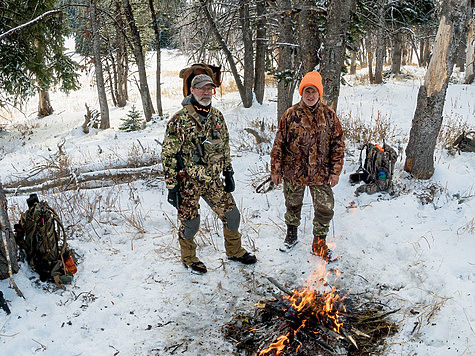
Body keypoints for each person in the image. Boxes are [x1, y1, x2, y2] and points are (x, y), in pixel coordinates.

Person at [161, 74, 257, 274]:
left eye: (209, 89)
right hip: (188, 182)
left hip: (212, 179)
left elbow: (224, 146)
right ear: (192, 91)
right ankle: (189, 258)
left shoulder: (217, 116)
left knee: (232, 215)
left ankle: (235, 251)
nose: (206, 93)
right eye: (202, 89)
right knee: (191, 223)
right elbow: (168, 155)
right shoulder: (179, 120)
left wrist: (228, 171)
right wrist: (172, 187)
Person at [270, 71, 345, 261]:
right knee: (292, 204)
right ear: (301, 93)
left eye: (313, 91)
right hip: (294, 171)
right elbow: (279, 143)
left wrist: (335, 172)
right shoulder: (290, 114)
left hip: (321, 173)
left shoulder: (329, 115)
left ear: (319, 93)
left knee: (325, 207)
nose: (310, 95)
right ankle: (291, 235)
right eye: (306, 91)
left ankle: (318, 242)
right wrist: (276, 170)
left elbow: (338, 144)